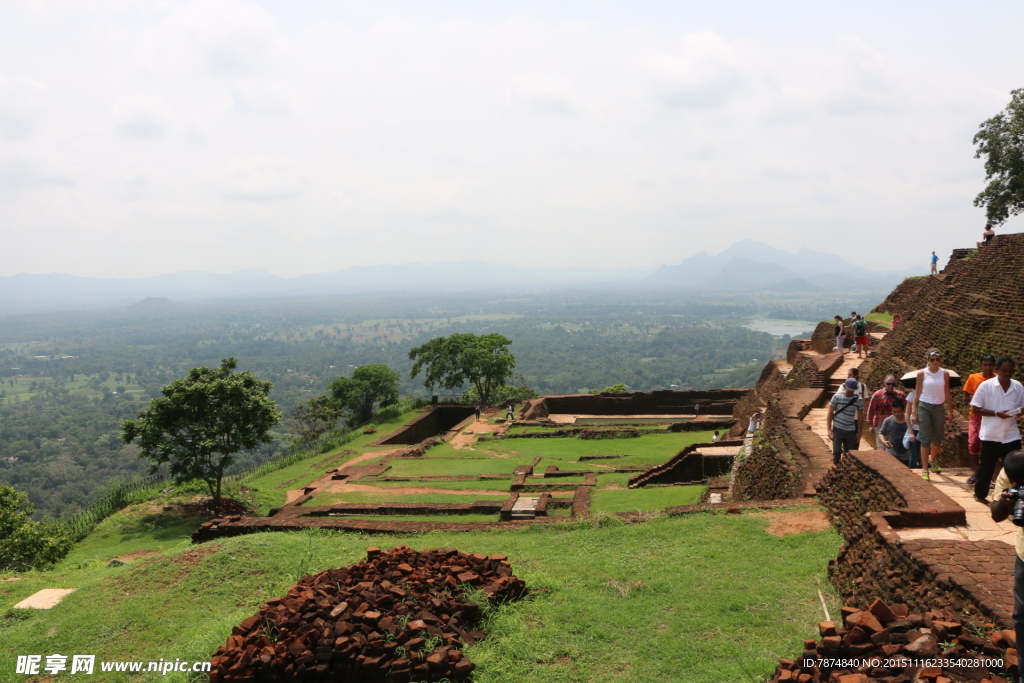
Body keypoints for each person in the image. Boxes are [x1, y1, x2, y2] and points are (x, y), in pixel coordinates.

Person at [971, 356, 1024, 503]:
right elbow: (975, 408)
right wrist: (995, 413)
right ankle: (980, 494)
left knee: (1015, 467)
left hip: (1011, 434)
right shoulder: (986, 386)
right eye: (1004, 370)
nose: (1007, 373)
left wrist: (1018, 411)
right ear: (997, 369)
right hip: (991, 434)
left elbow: (1022, 406)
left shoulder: (1017, 387)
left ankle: (1013, 496)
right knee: (987, 466)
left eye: (1010, 371)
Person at [989, 449, 1024, 658]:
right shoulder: (1013, 467)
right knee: (1022, 616)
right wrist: (1006, 501)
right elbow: (996, 515)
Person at [910, 349, 953, 480]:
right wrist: (913, 411)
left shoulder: (944, 373)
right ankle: (925, 469)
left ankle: (932, 459)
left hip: (939, 407)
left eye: (937, 359)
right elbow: (917, 393)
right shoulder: (922, 373)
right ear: (928, 360)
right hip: (924, 406)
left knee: (938, 437)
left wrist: (950, 410)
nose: (935, 362)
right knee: (925, 438)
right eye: (933, 359)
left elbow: (947, 392)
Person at [963, 354, 997, 485]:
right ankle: (976, 471)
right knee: (974, 442)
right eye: (985, 365)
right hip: (976, 414)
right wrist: (979, 402)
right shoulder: (974, 378)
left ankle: (986, 475)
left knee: (988, 444)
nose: (988, 367)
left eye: (990, 365)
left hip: (992, 415)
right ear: (981, 366)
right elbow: (966, 397)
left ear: (994, 366)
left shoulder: (997, 379)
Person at [827, 378, 864, 465]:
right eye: (849, 389)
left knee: (849, 454)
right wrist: (829, 430)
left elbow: (860, 416)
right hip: (838, 429)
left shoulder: (858, 400)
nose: (851, 392)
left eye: (853, 390)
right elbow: (830, 413)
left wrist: (859, 432)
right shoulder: (837, 397)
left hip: (850, 430)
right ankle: (836, 465)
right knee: (837, 451)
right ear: (845, 387)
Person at [866, 374, 906, 451]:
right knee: (881, 448)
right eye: (888, 384)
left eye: (893, 384)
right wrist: (870, 425)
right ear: (884, 383)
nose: (891, 386)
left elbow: (906, 410)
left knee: (894, 448)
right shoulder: (877, 395)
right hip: (880, 425)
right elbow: (871, 410)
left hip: (896, 426)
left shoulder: (900, 395)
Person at [877, 398, 911, 466]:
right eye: (894, 412)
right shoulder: (888, 420)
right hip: (892, 453)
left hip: (906, 455)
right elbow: (881, 433)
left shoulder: (910, 421)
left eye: (899, 411)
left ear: (903, 410)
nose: (896, 414)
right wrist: (883, 441)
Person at [904, 388, 921, 468]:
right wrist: (910, 432)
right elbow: (907, 414)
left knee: (923, 456)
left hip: (925, 429)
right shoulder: (912, 395)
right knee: (914, 456)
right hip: (914, 429)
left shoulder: (929, 395)